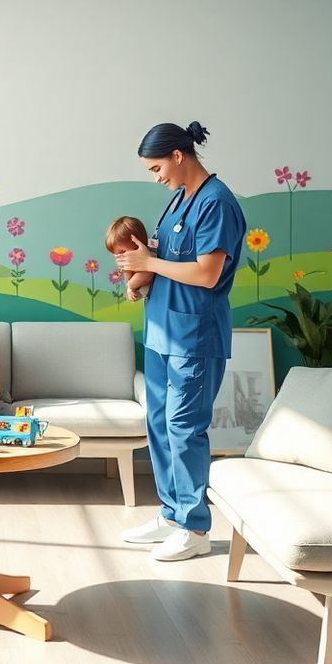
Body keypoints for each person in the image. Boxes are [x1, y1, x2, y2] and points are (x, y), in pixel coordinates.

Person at [115, 121, 246, 562]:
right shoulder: (177, 202)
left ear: (177, 155)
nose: (157, 177)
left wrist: (150, 260)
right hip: (161, 330)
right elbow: (167, 262)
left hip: (195, 335)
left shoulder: (217, 203)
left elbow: (206, 274)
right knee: (158, 424)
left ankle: (195, 526)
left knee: (185, 429)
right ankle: (171, 515)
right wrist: (142, 279)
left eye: (156, 168)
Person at [105, 216, 155, 301]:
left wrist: (130, 286)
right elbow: (127, 275)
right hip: (148, 298)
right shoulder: (128, 262)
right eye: (115, 254)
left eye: (122, 252)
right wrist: (129, 289)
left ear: (137, 244)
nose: (119, 257)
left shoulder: (150, 257)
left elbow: (147, 274)